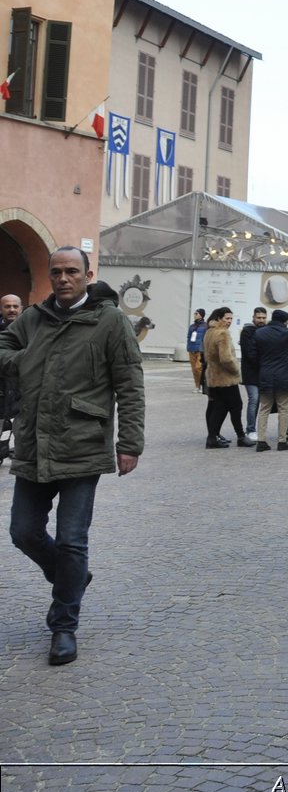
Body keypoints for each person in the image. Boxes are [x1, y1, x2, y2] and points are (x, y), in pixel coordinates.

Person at [1, 247, 144, 666]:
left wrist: (129, 443)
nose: (63, 279)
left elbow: (130, 385)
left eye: (72, 272)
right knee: (23, 532)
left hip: (83, 442)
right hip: (33, 442)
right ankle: (73, 578)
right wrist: (27, 360)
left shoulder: (110, 321)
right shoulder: (34, 317)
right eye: (57, 272)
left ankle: (64, 626)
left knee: (71, 540)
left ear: (88, 274)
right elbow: (4, 348)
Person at [253, 309, 288, 452]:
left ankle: (261, 441)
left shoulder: (259, 332)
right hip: (283, 376)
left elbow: (255, 353)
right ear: (285, 321)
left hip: (265, 374)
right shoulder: (286, 332)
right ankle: (282, 441)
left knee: (264, 409)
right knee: (284, 409)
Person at [202, 307, 248, 449]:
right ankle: (240, 437)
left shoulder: (209, 332)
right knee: (236, 405)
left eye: (231, 319)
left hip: (213, 376)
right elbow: (226, 359)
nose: (229, 321)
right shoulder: (222, 333)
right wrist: (236, 370)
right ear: (219, 318)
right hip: (226, 378)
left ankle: (212, 437)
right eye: (227, 318)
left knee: (217, 407)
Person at [239, 306, 267, 444]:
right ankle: (250, 429)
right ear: (253, 318)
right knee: (254, 400)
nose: (261, 320)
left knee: (260, 403)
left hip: (263, 373)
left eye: (263, 318)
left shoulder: (266, 331)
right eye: (259, 318)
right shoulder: (247, 332)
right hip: (251, 373)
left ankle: (256, 429)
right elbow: (250, 354)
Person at [0, 293, 21, 461]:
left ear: (21, 309)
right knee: (3, 422)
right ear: (1, 309)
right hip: (2, 388)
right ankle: (2, 450)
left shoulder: (31, 331)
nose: (12, 309)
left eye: (15, 306)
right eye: (7, 306)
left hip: (22, 388)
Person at [185, 308, 208, 393]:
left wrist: (205, 349)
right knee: (194, 369)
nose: (195, 315)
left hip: (200, 350)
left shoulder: (205, 326)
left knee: (198, 368)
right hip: (192, 349)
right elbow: (188, 337)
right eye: (194, 313)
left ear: (201, 315)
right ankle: (197, 386)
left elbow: (206, 338)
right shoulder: (192, 326)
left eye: (196, 313)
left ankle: (202, 385)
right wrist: (188, 347)